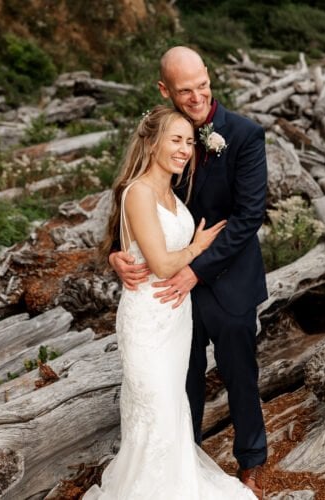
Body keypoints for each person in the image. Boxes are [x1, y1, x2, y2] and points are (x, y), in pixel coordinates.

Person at [109, 46, 268, 499]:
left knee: (241, 373)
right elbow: (132, 201)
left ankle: (252, 460)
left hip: (228, 280)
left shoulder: (244, 135)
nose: (197, 96)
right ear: (165, 90)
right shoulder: (162, 134)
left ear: (209, 78)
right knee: (184, 376)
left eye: (202, 85)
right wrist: (115, 254)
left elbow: (247, 217)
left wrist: (197, 268)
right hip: (170, 293)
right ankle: (182, 463)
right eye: (185, 90)